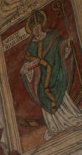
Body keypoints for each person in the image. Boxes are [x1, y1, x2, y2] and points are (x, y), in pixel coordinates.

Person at [20, 9, 82, 139]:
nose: (36, 30)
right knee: (44, 96)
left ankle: (69, 117)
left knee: (59, 92)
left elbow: (61, 45)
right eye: (33, 29)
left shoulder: (52, 36)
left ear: (41, 25)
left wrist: (67, 46)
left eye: (37, 27)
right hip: (41, 78)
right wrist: (27, 68)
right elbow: (26, 64)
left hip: (55, 71)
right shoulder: (31, 46)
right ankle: (53, 126)